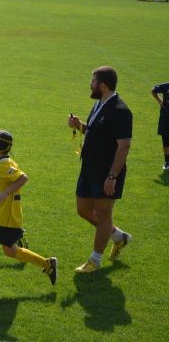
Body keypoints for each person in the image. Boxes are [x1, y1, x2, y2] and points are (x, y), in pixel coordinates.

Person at [0, 130, 57, 295]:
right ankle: (47, 264)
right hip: (3, 216)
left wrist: (4, 194)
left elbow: (23, 178)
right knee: (10, 251)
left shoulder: (3, 164)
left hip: (4, 218)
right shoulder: (3, 162)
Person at [67, 66, 133, 273]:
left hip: (106, 172)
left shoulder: (120, 111)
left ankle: (94, 261)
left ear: (102, 85)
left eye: (93, 81)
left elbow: (124, 146)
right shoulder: (99, 104)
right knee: (83, 210)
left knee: (103, 214)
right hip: (89, 168)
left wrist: (112, 176)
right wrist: (80, 125)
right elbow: (97, 131)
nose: (90, 84)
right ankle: (118, 237)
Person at [151, 80, 169, 170]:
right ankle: (167, 162)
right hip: (166, 117)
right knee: (165, 140)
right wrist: (160, 101)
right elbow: (153, 90)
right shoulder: (166, 86)